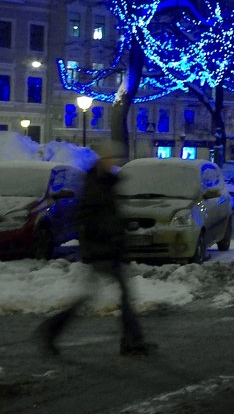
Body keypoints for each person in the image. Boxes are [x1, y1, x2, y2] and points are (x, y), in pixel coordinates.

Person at [38, 141, 154, 357]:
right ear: (102, 159)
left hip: (110, 249)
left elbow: (108, 216)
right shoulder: (95, 184)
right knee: (95, 297)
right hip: (102, 251)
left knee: (121, 296)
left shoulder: (106, 183)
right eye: (110, 158)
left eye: (115, 159)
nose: (113, 162)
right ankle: (51, 331)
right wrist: (101, 242)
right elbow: (88, 219)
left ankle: (132, 340)